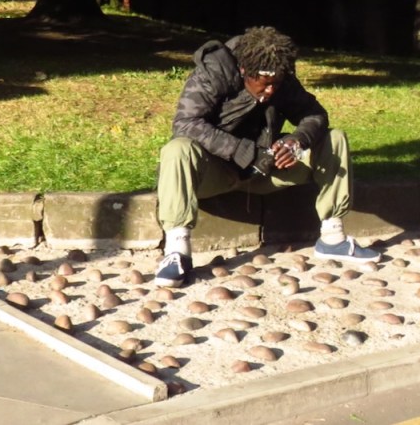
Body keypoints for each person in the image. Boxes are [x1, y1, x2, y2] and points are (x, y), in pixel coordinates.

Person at [154, 26, 380, 287]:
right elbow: (185, 123)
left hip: (267, 168)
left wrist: (296, 141)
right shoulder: (213, 71)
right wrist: (244, 152)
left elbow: (315, 115)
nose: (271, 90)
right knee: (178, 149)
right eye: (264, 84)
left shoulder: (279, 76)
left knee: (334, 137)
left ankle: (333, 238)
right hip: (215, 172)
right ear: (244, 71)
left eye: (276, 84)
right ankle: (177, 252)